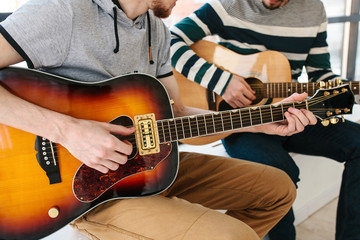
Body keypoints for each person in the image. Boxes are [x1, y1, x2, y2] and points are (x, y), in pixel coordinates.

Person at [0, 0, 317, 239]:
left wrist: (256, 121)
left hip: (154, 167)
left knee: (279, 189)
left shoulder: (157, 31)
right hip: (89, 191)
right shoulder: (65, 11)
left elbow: (177, 114)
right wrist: (69, 132)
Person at [170, 0, 360, 239]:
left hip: (292, 113)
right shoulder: (228, 5)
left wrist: (347, 91)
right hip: (239, 122)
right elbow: (169, 41)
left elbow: (320, 74)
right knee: (279, 172)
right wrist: (222, 81)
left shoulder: (313, 9)